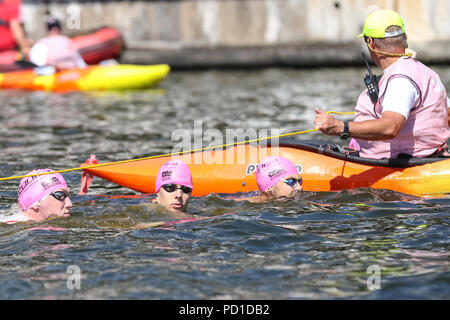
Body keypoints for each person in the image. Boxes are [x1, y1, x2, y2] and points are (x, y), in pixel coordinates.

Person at [314, 9, 450, 159]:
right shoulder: (426, 72)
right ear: (405, 37)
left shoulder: (400, 80)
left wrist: (339, 127)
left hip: (406, 166)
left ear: (371, 43)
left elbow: (391, 127)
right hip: (432, 157)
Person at [0, 168, 72, 224]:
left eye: (68, 195)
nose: (70, 204)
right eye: (60, 195)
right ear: (36, 204)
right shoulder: (11, 229)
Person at [233, 156, 303, 203]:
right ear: (269, 188)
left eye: (299, 181)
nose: (299, 187)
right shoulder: (245, 205)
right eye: (291, 182)